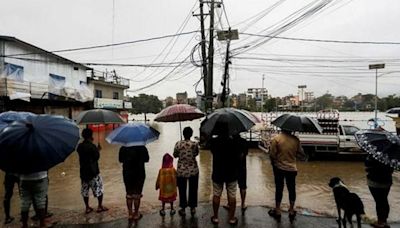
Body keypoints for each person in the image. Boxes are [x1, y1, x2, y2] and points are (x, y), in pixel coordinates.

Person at [269, 129, 306, 223]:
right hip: (292, 168)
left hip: (279, 168)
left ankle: (277, 210)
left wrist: (274, 163)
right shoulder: (296, 140)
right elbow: (301, 154)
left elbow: (272, 154)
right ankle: (291, 209)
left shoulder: (276, 139)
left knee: (279, 188)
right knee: (292, 189)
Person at [209, 122, 241, 225]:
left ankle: (215, 217)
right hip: (231, 173)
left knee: (216, 194)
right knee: (232, 195)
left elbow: (209, 147)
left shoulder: (214, 142)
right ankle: (231, 218)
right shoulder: (234, 142)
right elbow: (239, 155)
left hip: (218, 173)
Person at [76, 128, 108, 214]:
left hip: (83, 172)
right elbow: (96, 158)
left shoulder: (79, 146)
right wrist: (98, 150)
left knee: (85, 190)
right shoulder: (92, 146)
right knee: (99, 189)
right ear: (91, 136)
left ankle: (87, 207)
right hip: (93, 172)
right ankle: (100, 206)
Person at [173, 127, 199, 217]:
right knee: (193, 189)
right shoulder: (194, 144)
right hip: (193, 170)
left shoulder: (178, 144)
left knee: (182, 189)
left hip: (181, 171)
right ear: (191, 134)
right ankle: (192, 208)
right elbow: (196, 154)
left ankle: (183, 209)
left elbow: (175, 155)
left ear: (183, 134)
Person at [119, 145, 149, 221]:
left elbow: (120, 160)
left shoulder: (123, 147)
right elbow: (147, 159)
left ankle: (130, 214)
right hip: (139, 173)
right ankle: (136, 214)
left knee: (129, 194)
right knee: (137, 194)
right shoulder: (142, 147)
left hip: (127, 173)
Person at [365, 153, 393, 228]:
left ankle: (380, 222)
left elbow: (367, 164)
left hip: (375, 182)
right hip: (387, 181)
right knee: (384, 200)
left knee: (379, 202)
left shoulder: (374, 153)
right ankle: (384, 221)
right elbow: (392, 168)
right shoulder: (392, 155)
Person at [223, 134, 249, 215]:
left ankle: (229, 204)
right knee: (243, 186)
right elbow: (245, 154)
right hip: (242, 167)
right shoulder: (244, 142)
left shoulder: (229, 142)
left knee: (230, 186)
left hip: (231, 167)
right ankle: (243, 204)